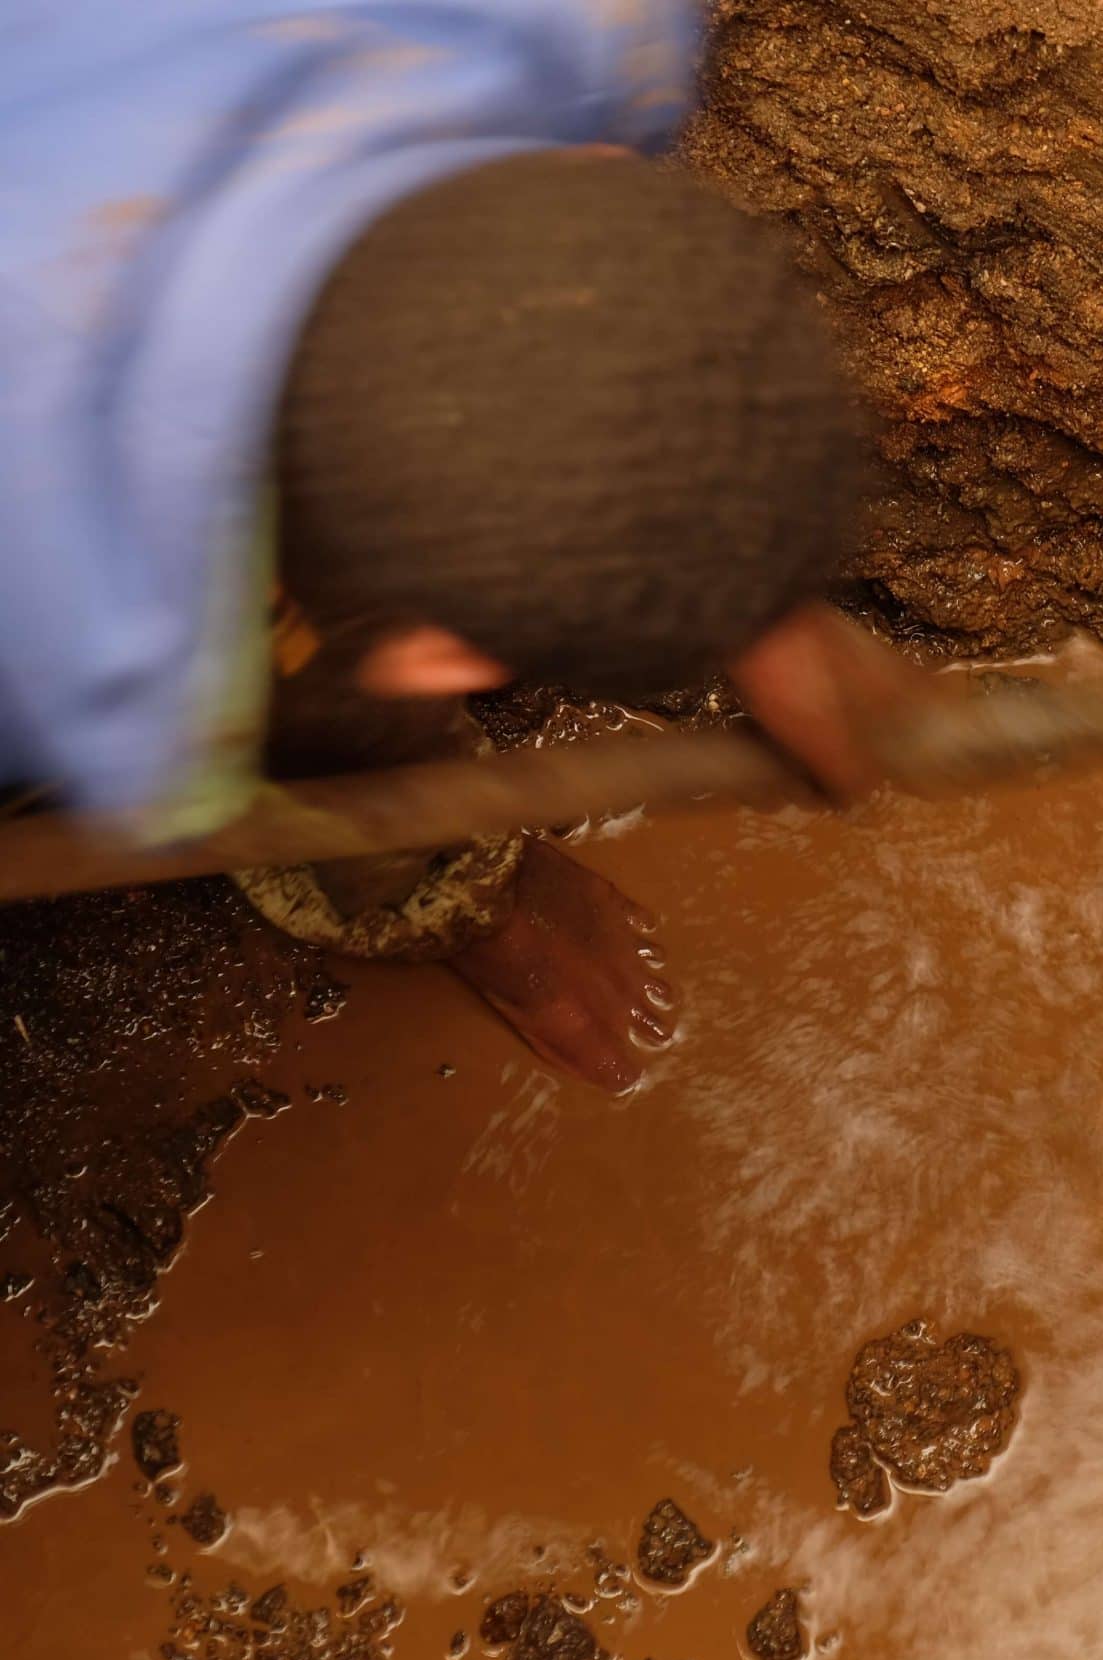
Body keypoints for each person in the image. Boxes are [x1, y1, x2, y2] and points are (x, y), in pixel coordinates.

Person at [1, 2, 919, 1091]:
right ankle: (431, 888)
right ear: (443, 663)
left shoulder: (578, 31)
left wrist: (739, 578)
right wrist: (450, 875)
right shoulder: (85, 636)